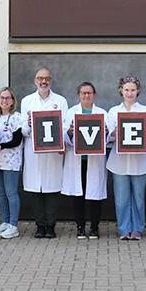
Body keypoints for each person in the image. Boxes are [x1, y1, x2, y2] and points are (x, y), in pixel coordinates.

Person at [107, 76, 146, 240]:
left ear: (138, 91)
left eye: (133, 90)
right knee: (121, 200)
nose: (130, 93)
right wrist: (112, 134)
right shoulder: (114, 111)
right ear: (121, 91)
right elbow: (107, 134)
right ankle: (123, 229)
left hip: (140, 162)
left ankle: (137, 229)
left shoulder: (145, 111)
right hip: (119, 163)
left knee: (138, 198)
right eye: (126, 90)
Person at [21, 67, 68, 238]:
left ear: (51, 80)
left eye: (47, 78)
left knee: (52, 190)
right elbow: (23, 130)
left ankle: (51, 225)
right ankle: (39, 225)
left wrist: (62, 143)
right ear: (35, 81)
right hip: (33, 152)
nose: (43, 81)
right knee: (36, 191)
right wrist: (29, 125)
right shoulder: (27, 101)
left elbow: (63, 127)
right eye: (40, 78)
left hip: (53, 153)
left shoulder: (60, 101)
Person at [62, 82, 108, 240]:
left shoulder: (102, 113)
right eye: (83, 93)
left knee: (95, 195)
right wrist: (69, 131)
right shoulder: (70, 113)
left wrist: (106, 132)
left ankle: (94, 228)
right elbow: (63, 137)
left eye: (89, 93)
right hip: (77, 160)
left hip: (94, 160)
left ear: (94, 95)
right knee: (78, 195)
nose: (86, 96)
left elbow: (108, 139)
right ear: (79, 95)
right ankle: (80, 227)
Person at [0, 87, 23, 239]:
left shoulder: (17, 118)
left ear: (12, 101)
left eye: (8, 98)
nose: (4, 100)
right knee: (1, 194)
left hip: (11, 161)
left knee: (11, 193)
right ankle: (5, 221)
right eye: (2, 98)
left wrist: (1, 146)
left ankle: (13, 225)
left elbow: (17, 140)